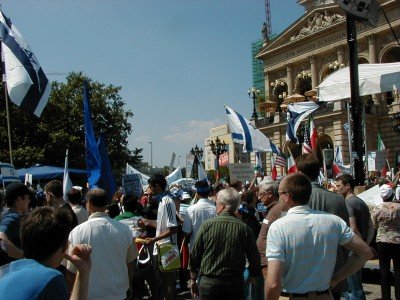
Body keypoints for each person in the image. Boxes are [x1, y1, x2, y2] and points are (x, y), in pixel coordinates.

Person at [266, 173, 374, 300]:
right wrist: (337, 278)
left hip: (290, 295)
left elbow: (273, 284)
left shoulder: (278, 227)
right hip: (324, 295)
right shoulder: (333, 221)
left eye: (279, 193)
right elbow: (366, 252)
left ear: (287, 197)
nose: (278, 198)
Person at [0, 206, 92, 300]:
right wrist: (84, 272)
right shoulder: (51, 279)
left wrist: (83, 272)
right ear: (64, 247)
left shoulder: (4, 271)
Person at [188, 187, 261, 300]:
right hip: (234, 284)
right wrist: (252, 276)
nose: (215, 207)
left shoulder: (206, 226)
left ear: (222, 205)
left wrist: (193, 279)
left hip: (209, 284)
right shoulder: (244, 229)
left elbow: (195, 255)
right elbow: (255, 258)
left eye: (216, 204)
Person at [66, 188, 138, 300]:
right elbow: (130, 262)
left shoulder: (77, 232)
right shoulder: (125, 230)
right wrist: (128, 285)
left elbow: (71, 270)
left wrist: (73, 294)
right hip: (119, 294)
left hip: (88, 295)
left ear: (89, 204)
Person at [296, 153, 350, 300]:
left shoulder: (295, 199)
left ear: (299, 173)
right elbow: (347, 237)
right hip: (333, 270)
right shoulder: (338, 199)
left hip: (304, 272)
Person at [335, 174, 374, 300]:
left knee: (352, 287)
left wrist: (358, 247)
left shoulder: (348, 203)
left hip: (353, 249)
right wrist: (365, 244)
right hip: (360, 247)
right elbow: (370, 226)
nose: (336, 188)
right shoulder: (361, 202)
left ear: (347, 186)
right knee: (356, 285)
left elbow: (352, 228)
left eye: (339, 186)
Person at [140, 173, 179, 300]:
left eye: (150, 187)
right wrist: (148, 222)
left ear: (157, 186)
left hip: (167, 248)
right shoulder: (163, 200)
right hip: (162, 247)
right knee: (164, 284)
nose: (149, 191)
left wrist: (154, 239)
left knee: (168, 285)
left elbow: (173, 228)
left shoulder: (167, 201)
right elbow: (163, 225)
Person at [371, 184, 400, 300]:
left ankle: (385, 297)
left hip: (382, 241)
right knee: (398, 270)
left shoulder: (377, 208)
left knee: (384, 270)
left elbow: (374, 226)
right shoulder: (398, 207)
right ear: (391, 194)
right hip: (397, 240)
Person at [0, 182, 32, 264]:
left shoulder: (6, 214)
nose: (29, 200)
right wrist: (26, 256)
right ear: (20, 199)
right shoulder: (13, 217)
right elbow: (1, 237)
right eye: (28, 197)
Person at [182, 181, 216, 251]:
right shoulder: (216, 209)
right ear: (209, 192)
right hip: (212, 248)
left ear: (197, 193)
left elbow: (186, 231)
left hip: (195, 248)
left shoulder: (190, 209)